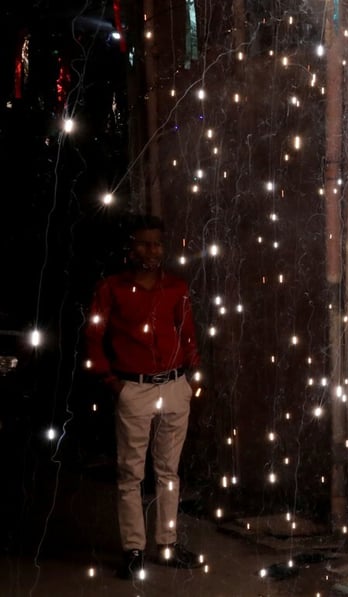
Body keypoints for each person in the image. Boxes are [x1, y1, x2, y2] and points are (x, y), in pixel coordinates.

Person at [84, 215, 204, 579]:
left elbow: (188, 334)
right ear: (130, 247)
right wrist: (111, 381)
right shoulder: (111, 288)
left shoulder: (176, 288)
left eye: (157, 244)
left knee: (168, 471)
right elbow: (94, 337)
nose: (151, 250)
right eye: (143, 243)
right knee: (131, 474)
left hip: (174, 387)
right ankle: (134, 549)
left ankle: (166, 545)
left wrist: (192, 380)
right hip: (132, 388)